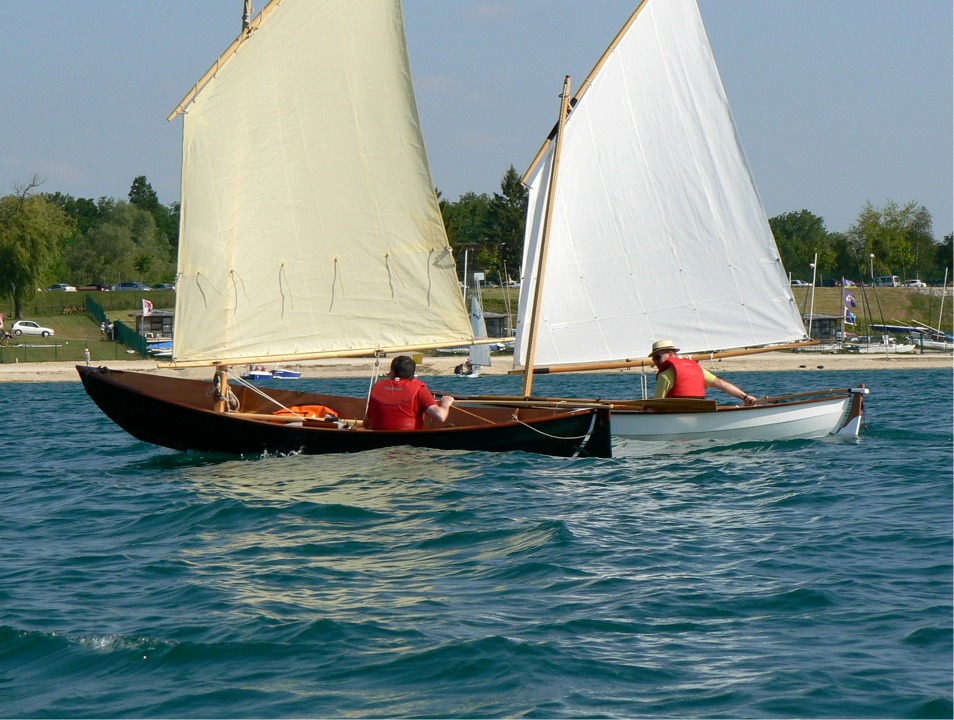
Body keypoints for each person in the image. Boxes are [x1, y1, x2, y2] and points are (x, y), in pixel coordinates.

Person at [648, 339, 757, 406]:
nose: (655, 362)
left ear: (671, 354)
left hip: (676, 419)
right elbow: (722, 385)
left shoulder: (665, 376)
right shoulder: (697, 369)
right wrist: (745, 397)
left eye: (657, 357)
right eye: (654, 359)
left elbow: (657, 405)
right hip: (699, 415)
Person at [364, 355, 454, 430]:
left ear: (392, 372)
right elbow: (440, 416)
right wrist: (445, 403)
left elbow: (366, 423)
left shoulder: (377, 387)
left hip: (379, 441)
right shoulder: (420, 390)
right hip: (408, 443)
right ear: (412, 373)